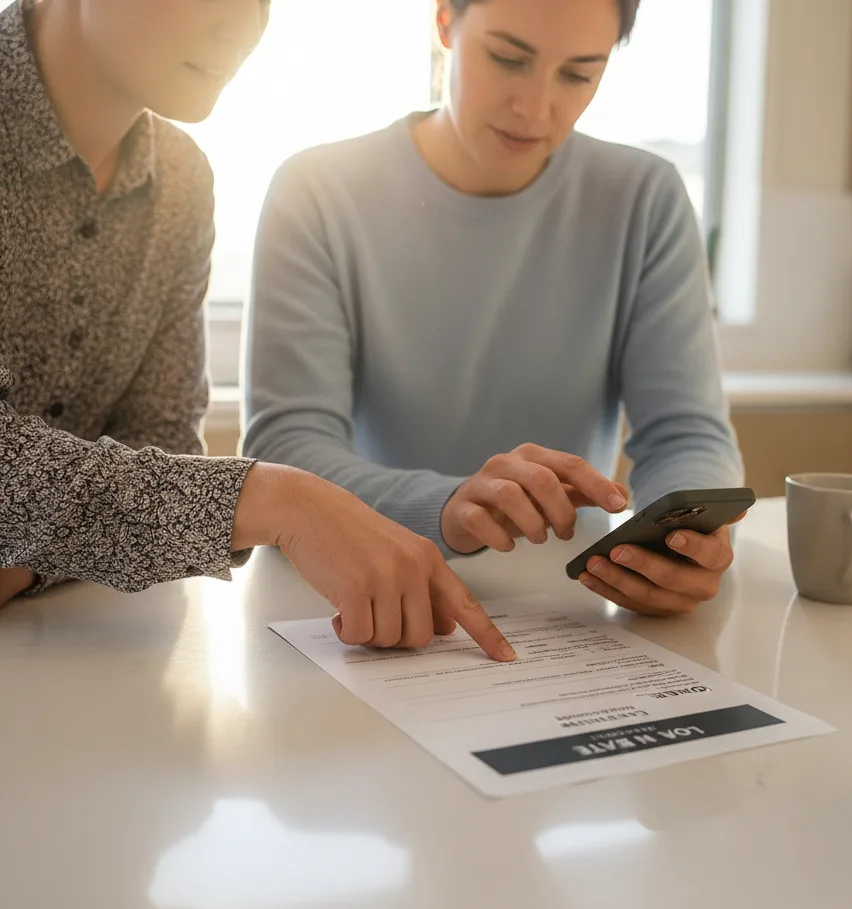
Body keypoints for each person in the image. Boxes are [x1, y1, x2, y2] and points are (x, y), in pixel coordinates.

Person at [0, 0, 515, 662]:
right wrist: (273, 497)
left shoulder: (181, 182)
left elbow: (158, 438)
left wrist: (28, 554)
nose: (241, 27)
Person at [244, 0, 745, 620]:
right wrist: (451, 505)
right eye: (508, 59)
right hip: (357, 595)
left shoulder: (645, 198)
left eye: (578, 74)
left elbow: (686, 432)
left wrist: (685, 535)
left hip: (570, 609)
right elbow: (286, 448)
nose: (535, 110)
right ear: (444, 22)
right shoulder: (318, 190)